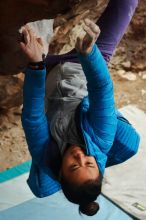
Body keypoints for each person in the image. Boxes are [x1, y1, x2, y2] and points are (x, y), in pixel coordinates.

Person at [20, 0, 140, 216]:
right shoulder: (101, 138)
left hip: (49, 69)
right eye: (89, 163)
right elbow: (101, 89)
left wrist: (36, 64)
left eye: (74, 166)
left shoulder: (46, 155)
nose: (79, 156)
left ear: (60, 173)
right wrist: (89, 54)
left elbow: (33, 117)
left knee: (18, 37)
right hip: (85, 63)